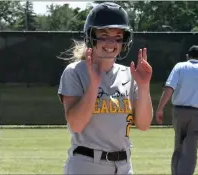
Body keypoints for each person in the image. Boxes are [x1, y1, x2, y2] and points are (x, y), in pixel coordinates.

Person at [58, 2, 153, 175]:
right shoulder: (75, 72)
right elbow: (76, 125)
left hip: (124, 166)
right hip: (87, 165)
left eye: (118, 36)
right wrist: (94, 84)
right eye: (103, 34)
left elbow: (144, 125)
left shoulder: (129, 74)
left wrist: (144, 86)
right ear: (91, 36)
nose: (111, 42)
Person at [155, 45, 198, 175]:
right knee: (190, 149)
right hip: (197, 114)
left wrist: (160, 109)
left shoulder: (179, 67)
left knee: (178, 146)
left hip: (179, 112)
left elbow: (169, 88)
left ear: (187, 56)